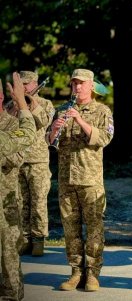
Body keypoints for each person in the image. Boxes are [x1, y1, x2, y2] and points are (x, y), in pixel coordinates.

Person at [46, 69, 114, 292]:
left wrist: (80, 120)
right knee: (70, 229)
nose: (77, 87)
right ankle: (76, 271)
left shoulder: (102, 110)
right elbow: (51, 141)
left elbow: (104, 138)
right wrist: (53, 130)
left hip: (90, 179)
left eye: (81, 84)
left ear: (91, 85)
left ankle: (93, 274)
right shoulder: (62, 110)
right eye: (74, 83)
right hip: (67, 180)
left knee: (94, 229)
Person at [9, 71, 54, 256]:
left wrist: (31, 103)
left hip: (38, 161)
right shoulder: (13, 104)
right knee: (21, 202)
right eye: (22, 84)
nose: (25, 87)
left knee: (38, 202)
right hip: (19, 159)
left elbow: (44, 120)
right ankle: (25, 238)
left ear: (35, 83)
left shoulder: (45, 104)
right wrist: (17, 104)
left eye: (27, 84)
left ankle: (38, 240)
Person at [0, 72, 37, 301]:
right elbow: (26, 137)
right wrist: (22, 102)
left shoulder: (11, 123)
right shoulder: (15, 127)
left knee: (9, 258)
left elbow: (17, 157)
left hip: (7, 203)